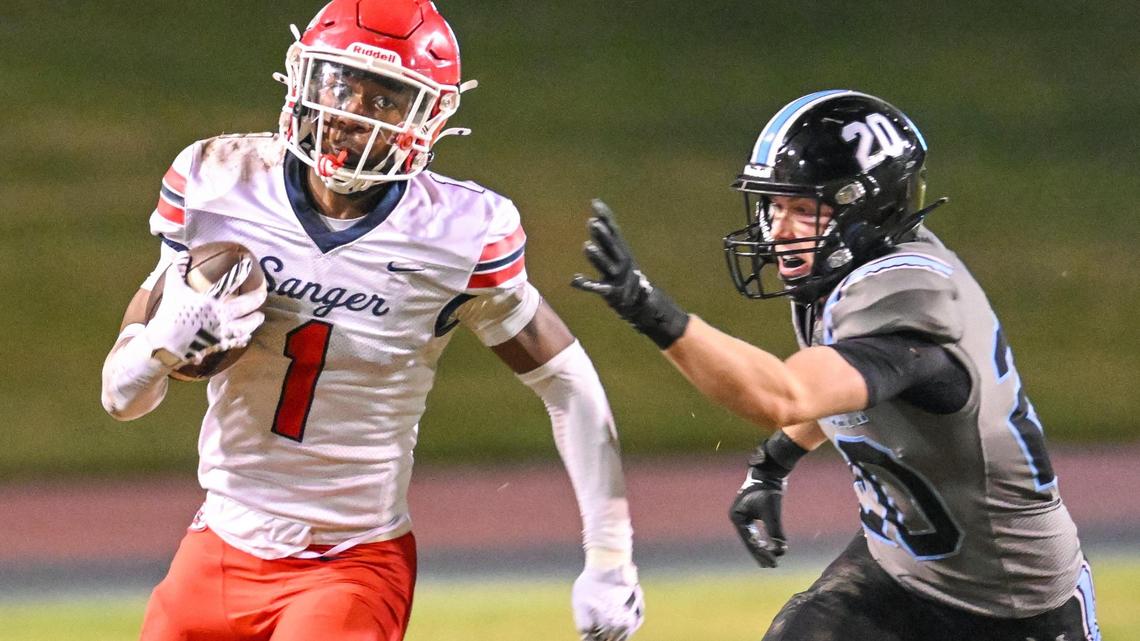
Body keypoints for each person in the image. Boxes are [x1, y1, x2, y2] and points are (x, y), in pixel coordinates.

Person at [99, 1, 644, 640]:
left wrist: (610, 558)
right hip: (219, 540)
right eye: (340, 85)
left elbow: (565, 382)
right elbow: (121, 398)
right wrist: (161, 346)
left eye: (384, 101)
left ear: (429, 118)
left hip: (351, 559)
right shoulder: (220, 182)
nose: (349, 115)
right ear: (303, 79)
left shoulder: (459, 235)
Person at [572, 90, 1101, 641]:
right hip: (900, 570)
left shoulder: (912, 300)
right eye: (774, 207)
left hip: (1014, 604)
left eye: (804, 210)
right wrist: (774, 461)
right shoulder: (842, 283)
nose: (779, 230)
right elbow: (841, 388)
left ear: (867, 213)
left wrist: (653, 313)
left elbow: (785, 395)